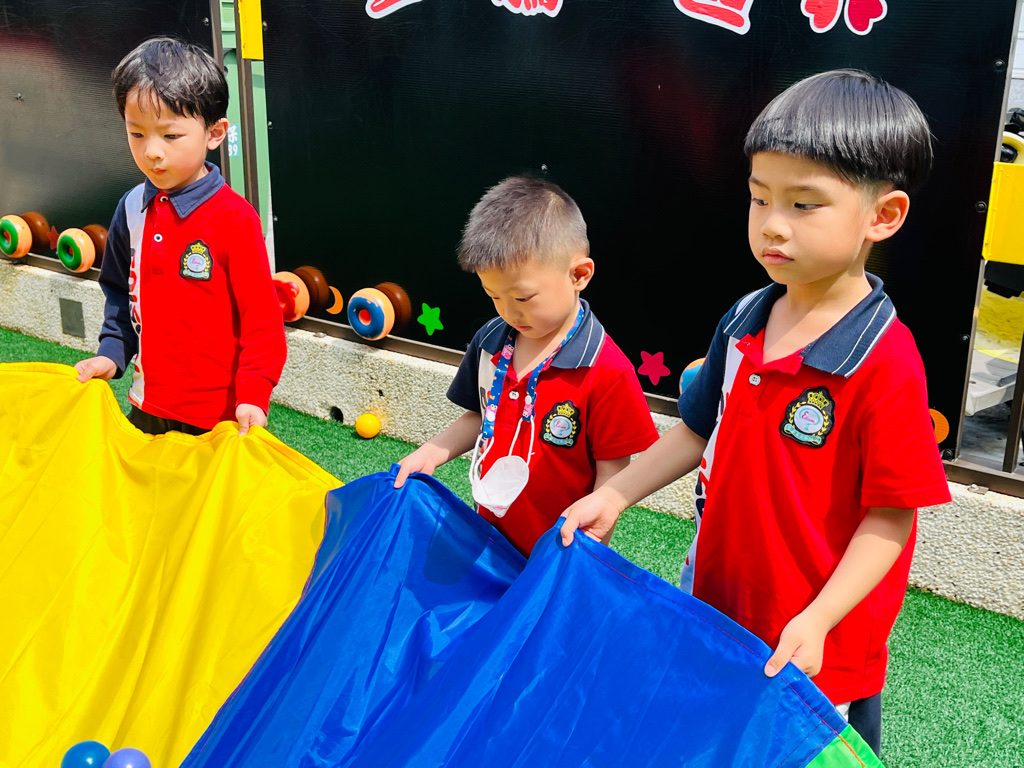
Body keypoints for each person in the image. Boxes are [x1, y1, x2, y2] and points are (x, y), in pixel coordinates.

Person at [559, 70, 951, 756]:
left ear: (883, 217)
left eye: (804, 204)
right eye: (759, 197)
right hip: (717, 600)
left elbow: (890, 520)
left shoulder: (885, 361)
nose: (772, 223)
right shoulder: (745, 317)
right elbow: (696, 429)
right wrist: (615, 494)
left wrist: (820, 619)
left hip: (817, 644)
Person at [395, 176, 659, 556]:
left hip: (557, 551)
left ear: (579, 275)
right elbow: (480, 415)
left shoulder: (606, 370)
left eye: (522, 298)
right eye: (493, 296)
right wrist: (432, 452)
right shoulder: (491, 340)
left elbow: (612, 471)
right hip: (487, 539)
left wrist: (585, 550)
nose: (508, 312)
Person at [74, 37, 286, 436]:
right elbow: (119, 294)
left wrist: (254, 395)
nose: (152, 151)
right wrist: (111, 354)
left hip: (218, 419)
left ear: (215, 133)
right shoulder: (131, 208)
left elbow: (263, 323)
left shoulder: (236, 220)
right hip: (146, 406)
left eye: (170, 136)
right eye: (137, 134)